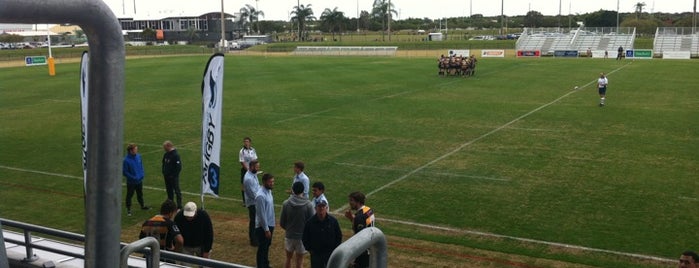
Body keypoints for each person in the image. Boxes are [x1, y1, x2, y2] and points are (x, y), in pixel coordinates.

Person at [280, 181, 314, 268]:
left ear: (293, 190)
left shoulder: (286, 204)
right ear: (303, 191)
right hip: (302, 237)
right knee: (300, 261)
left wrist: (289, 229)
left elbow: (282, 222)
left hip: (289, 236)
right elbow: (312, 223)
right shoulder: (308, 205)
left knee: (288, 259)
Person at [303, 200, 342, 268]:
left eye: (323, 206)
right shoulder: (310, 222)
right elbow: (305, 238)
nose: (321, 208)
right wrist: (310, 250)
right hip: (316, 254)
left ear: (326, 208)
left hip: (330, 253)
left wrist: (335, 249)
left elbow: (338, 236)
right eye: (319, 206)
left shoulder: (333, 221)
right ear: (315, 208)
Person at [344, 191, 375, 268]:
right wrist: (352, 219)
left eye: (351, 200)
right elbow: (365, 224)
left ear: (358, 202)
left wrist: (353, 259)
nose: (350, 203)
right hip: (371, 247)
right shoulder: (368, 210)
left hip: (363, 252)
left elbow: (359, 239)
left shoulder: (359, 217)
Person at [122, 143, 150, 216]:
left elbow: (141, 166)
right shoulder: (126, 160)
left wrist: (142, 174)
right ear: (131, 151)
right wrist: (133, 177)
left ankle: (142, 206)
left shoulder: (138, 156)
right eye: (135, 149)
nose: (136, 150)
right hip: (131, 182)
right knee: (129, 195)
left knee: (140, 194)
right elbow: (125, 172)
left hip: (139, 180)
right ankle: (128, 209)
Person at [255, 173, 276, 268]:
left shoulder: (268, 191)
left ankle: (265, 264)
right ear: (264, 182)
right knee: (262, 248)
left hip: (270, 223)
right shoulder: (260, 196)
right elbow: (261, 214)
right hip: (263, 227)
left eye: (273, 181)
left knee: (266, 246)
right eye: (270, 182)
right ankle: (261, 265)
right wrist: (266, 229)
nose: (272, 183)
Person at [243, 159, 261, 247]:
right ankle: (253, 240)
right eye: (257, 167)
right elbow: (252, 194)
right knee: (253, 221)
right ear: (251, 167)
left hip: (255, 201)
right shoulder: (248, 179)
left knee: (255, 221)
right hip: (253, 203)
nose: (258, 169)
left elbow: (257, 187)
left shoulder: (253, 174)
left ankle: (256, 238)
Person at [162, 140, 182, 209]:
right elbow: (163, 164)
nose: (164, 148)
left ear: (169, 146)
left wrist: (173, 175)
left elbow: (178, 167)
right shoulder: (166, 154)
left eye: (164, 147)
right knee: (169, 191)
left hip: (173, 177)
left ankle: (179, 206)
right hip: (166, 176)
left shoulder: (175, 155)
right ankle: (171, 205)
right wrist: (164, 172)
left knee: (177, 191)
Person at [239, 137, 257, 205]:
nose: (246, 143)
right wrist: (247, 169)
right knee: (243, 185)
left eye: (247, 141)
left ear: (250, 142)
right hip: (245, 170)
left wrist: (254, 168)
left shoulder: (253, 150)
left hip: (252, 170)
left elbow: (255, 159)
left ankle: (253, 198)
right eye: (245, 141)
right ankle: (244, 201)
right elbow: (242, 161)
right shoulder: (242, 151)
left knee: (254, 184)